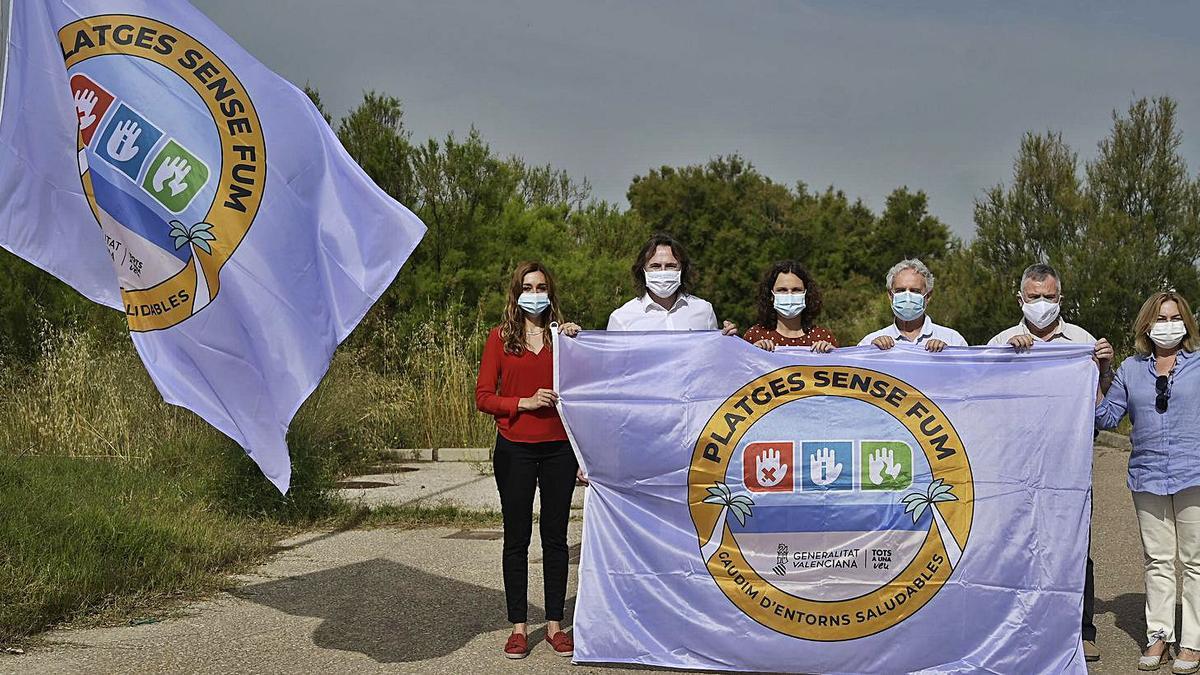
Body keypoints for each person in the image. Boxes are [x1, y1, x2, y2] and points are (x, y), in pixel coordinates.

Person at [988, 262, 1115, 663]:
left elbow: (1099, 405)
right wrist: (1007, 360)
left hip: (1066, 464)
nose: (1041, 304)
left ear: (1060, 298)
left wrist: (1105, 368)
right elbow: (981, 395)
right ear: (1020, 298)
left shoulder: (1082, 341)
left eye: (1048, 297)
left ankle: (1081, 631)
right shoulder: (1001, 341)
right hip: (1016, 464)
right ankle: (1018, 628)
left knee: (1074, 545)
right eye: (1033, 297)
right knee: (1016, 545)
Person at [475, 261, 584, 660]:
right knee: (517, 537)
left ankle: (555, 624)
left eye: (541, 287)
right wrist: (523, 402)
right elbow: (484, 396)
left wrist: (576, 339)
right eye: (527, 286)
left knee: (555, 538)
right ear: (516, 293)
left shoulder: (565, 339)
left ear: (551, 293)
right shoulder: (500, 339)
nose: (534, 293)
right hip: (514, 448)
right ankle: (519, 627)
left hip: (559, 449)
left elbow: (585, 393)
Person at [1095, 291, 1200, 674]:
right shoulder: (1130, 370)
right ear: (1146, 325)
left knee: (1194, 562)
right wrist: (1098, 374)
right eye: (1160, 318)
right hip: (1148, 475)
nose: (1168, 325)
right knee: (1158, 560)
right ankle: (1158, 636)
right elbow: (1105, 419)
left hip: (1195, 474)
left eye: (1175, 317)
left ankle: (1192, 642)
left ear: (1186, 323)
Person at [607, 233, 738, 334]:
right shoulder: (621, 319)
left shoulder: (704, 311)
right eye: (655, 266)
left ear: (682, 269)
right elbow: (612, 367)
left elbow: (712, 358)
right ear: (643, 270)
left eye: (670, 266)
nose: (663, 271)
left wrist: (727, 341)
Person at [858, 258, 966, 351]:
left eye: (915, 291)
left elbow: (971, 373)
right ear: (891, 295)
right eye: (900, 290)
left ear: (928, 296)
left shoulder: (953, 340)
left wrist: (949, 355)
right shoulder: (870, 342)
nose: (907, 296)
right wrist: (870, 353)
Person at [743, 260, 837, 352]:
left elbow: (840, 364)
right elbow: (738, 364)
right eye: (782, 290)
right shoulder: (755, 335)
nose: (790, 295)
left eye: (796, 290)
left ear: (806, 294)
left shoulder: (822, 337)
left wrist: (832, 354)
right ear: (771, 295)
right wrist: (752, 352)